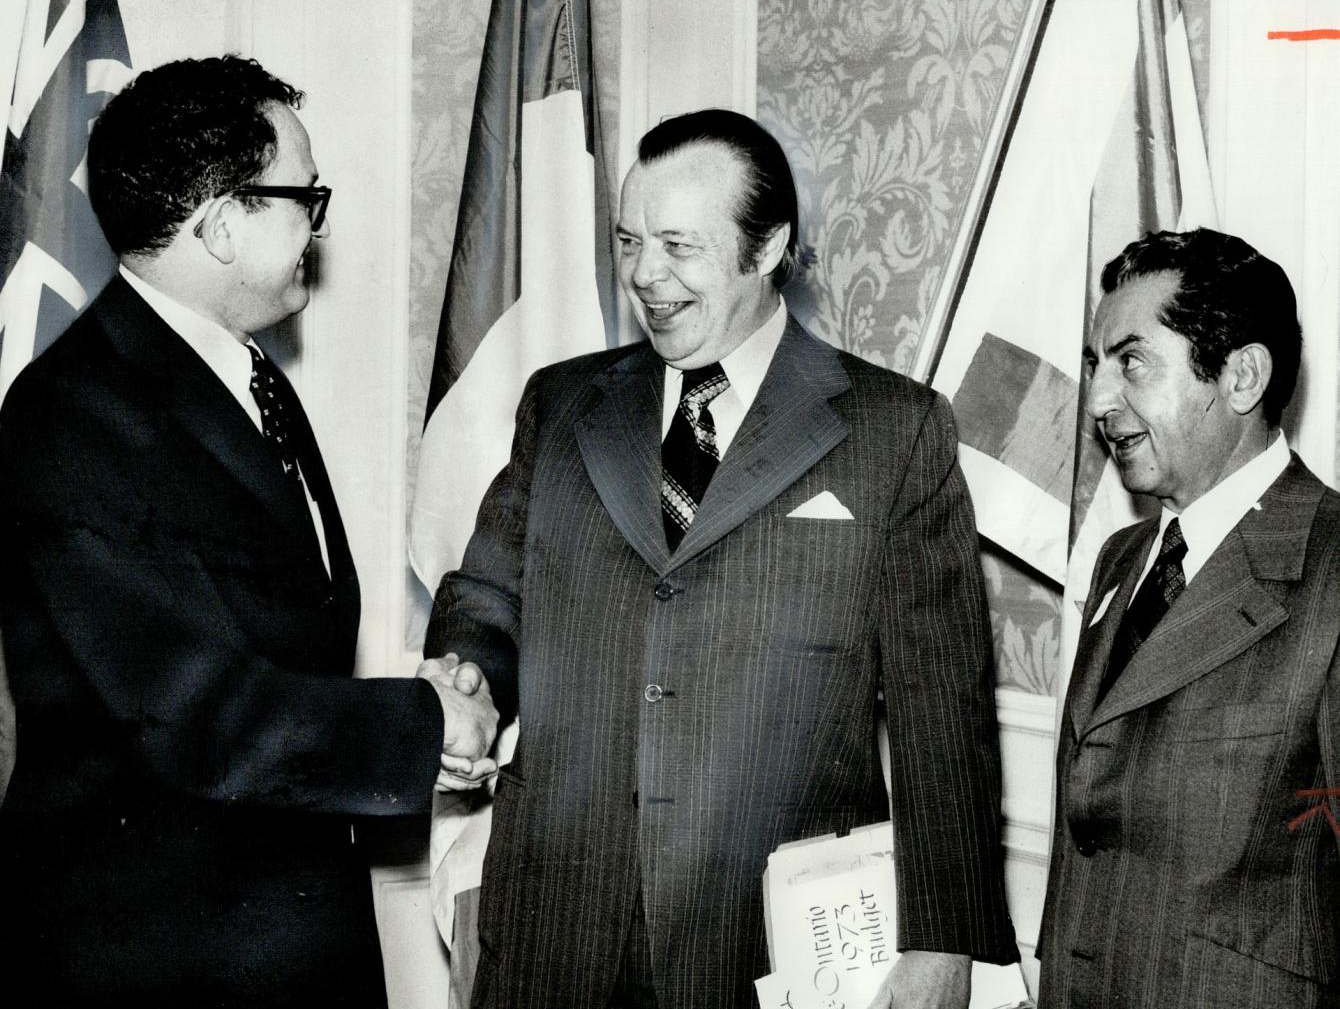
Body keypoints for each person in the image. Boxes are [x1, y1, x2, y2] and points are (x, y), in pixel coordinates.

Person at [426, 108, 1018, 1009]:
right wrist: (466, 675)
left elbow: (945, 711)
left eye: (678, 246)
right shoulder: (562, 402)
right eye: (629, 241)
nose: (644, 277)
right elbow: (488, 594)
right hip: (554, 929)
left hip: (769, 945)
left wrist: (945, 940)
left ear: (768, 245)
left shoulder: (895, 431)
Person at [0, 55, 497, 1007]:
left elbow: (278, 644)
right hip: (153, 962)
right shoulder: (75, 416)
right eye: (303, 193)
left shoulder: (242, 380)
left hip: (279, 935)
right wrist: (426, 722)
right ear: (224, 225)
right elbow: (196, 713)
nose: (318, 220)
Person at [1039, 228, 1339, 1007]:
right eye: (1096, 367)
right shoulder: (1121, 557)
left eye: (1132, 361)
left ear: (1241, 376)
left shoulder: (1334, 568)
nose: (1100, 401)